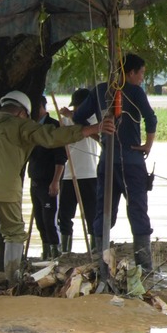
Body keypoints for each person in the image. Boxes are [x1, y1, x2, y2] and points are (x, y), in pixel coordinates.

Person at [0, 90, 114, 305]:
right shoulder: (19, 124)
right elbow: (51, 136)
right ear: (21, 113)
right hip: (7, 191)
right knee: (14, 234)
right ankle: (12, 282)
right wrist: (92, 129)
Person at [75, 55, 158, 271]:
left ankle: (101, 265)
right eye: (141, 73)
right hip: (131, 161)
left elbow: (78, 118)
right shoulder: (135, 92)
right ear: (130, 73)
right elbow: (151, 118)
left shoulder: (100, 90)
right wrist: (147, 145)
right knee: (137, 210)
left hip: (107, 161)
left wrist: (97, 132)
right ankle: (144, 267)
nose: (141, 79)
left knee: (104, 210)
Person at [54, 87, 105, 254]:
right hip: (69, 175)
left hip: (89, 174)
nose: (76, 110)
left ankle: (94, 248)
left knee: (92, 215)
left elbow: (99, 138)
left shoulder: (93, 120)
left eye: (78, 107)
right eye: (74, 107)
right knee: (65, 214)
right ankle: (65, 250)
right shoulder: (65, 122)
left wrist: (73, 116)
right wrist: (69, 117)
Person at [26, 101, 67, 260]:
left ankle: (56, 254)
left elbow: (61, 158)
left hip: (49, 181)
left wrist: (56, 181)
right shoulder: (31, 127)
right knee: (40, 220)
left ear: (42, 107)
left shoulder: (53, 126)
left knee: (50, 221)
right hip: (35, 180)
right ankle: (46, 254)